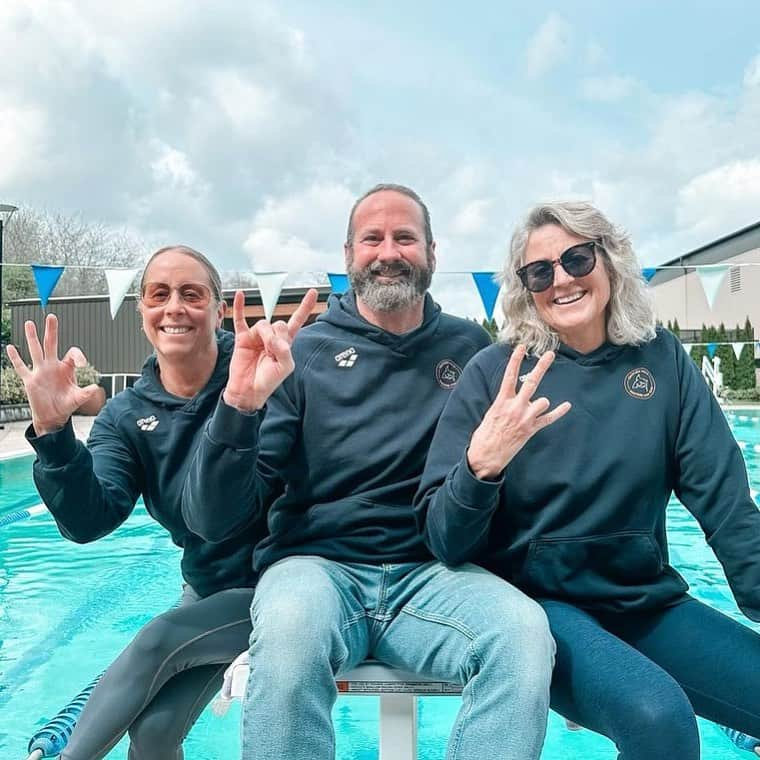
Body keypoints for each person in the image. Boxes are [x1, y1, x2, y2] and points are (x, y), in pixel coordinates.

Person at [183, 184, 556, 760]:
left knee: (523, 635)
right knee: (289, 635)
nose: (389, 252)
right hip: (317, 568)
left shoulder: (471, 347)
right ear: (348, 254)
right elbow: (216, 518)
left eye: (405, 237)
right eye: (372, 238)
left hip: (434, 575)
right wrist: (238, 407)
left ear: (432, 251)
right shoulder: (301, 353)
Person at [415, 200, 760, 760]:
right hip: (538, 611)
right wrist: (483, 466)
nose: (562, 280)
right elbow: (444, 539)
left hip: (642, 602)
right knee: (659, 718)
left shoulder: (663, 360)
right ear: (525, 287)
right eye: (540, 271)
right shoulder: (495, 375)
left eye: (577, 258)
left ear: (609, 259)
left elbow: (725, 504)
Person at [7, 245, 315, 760]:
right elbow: (88, 522)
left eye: (191, 294)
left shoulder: (269, 384)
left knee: (155, 640)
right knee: (152, 734)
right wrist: (54, 433)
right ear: (142, 314)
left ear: (218, 309)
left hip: (290, 588)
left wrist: (240, 407)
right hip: (211, 588)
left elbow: (222, 517)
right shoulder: (127, 417)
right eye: (159, 294)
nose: (174, 307)